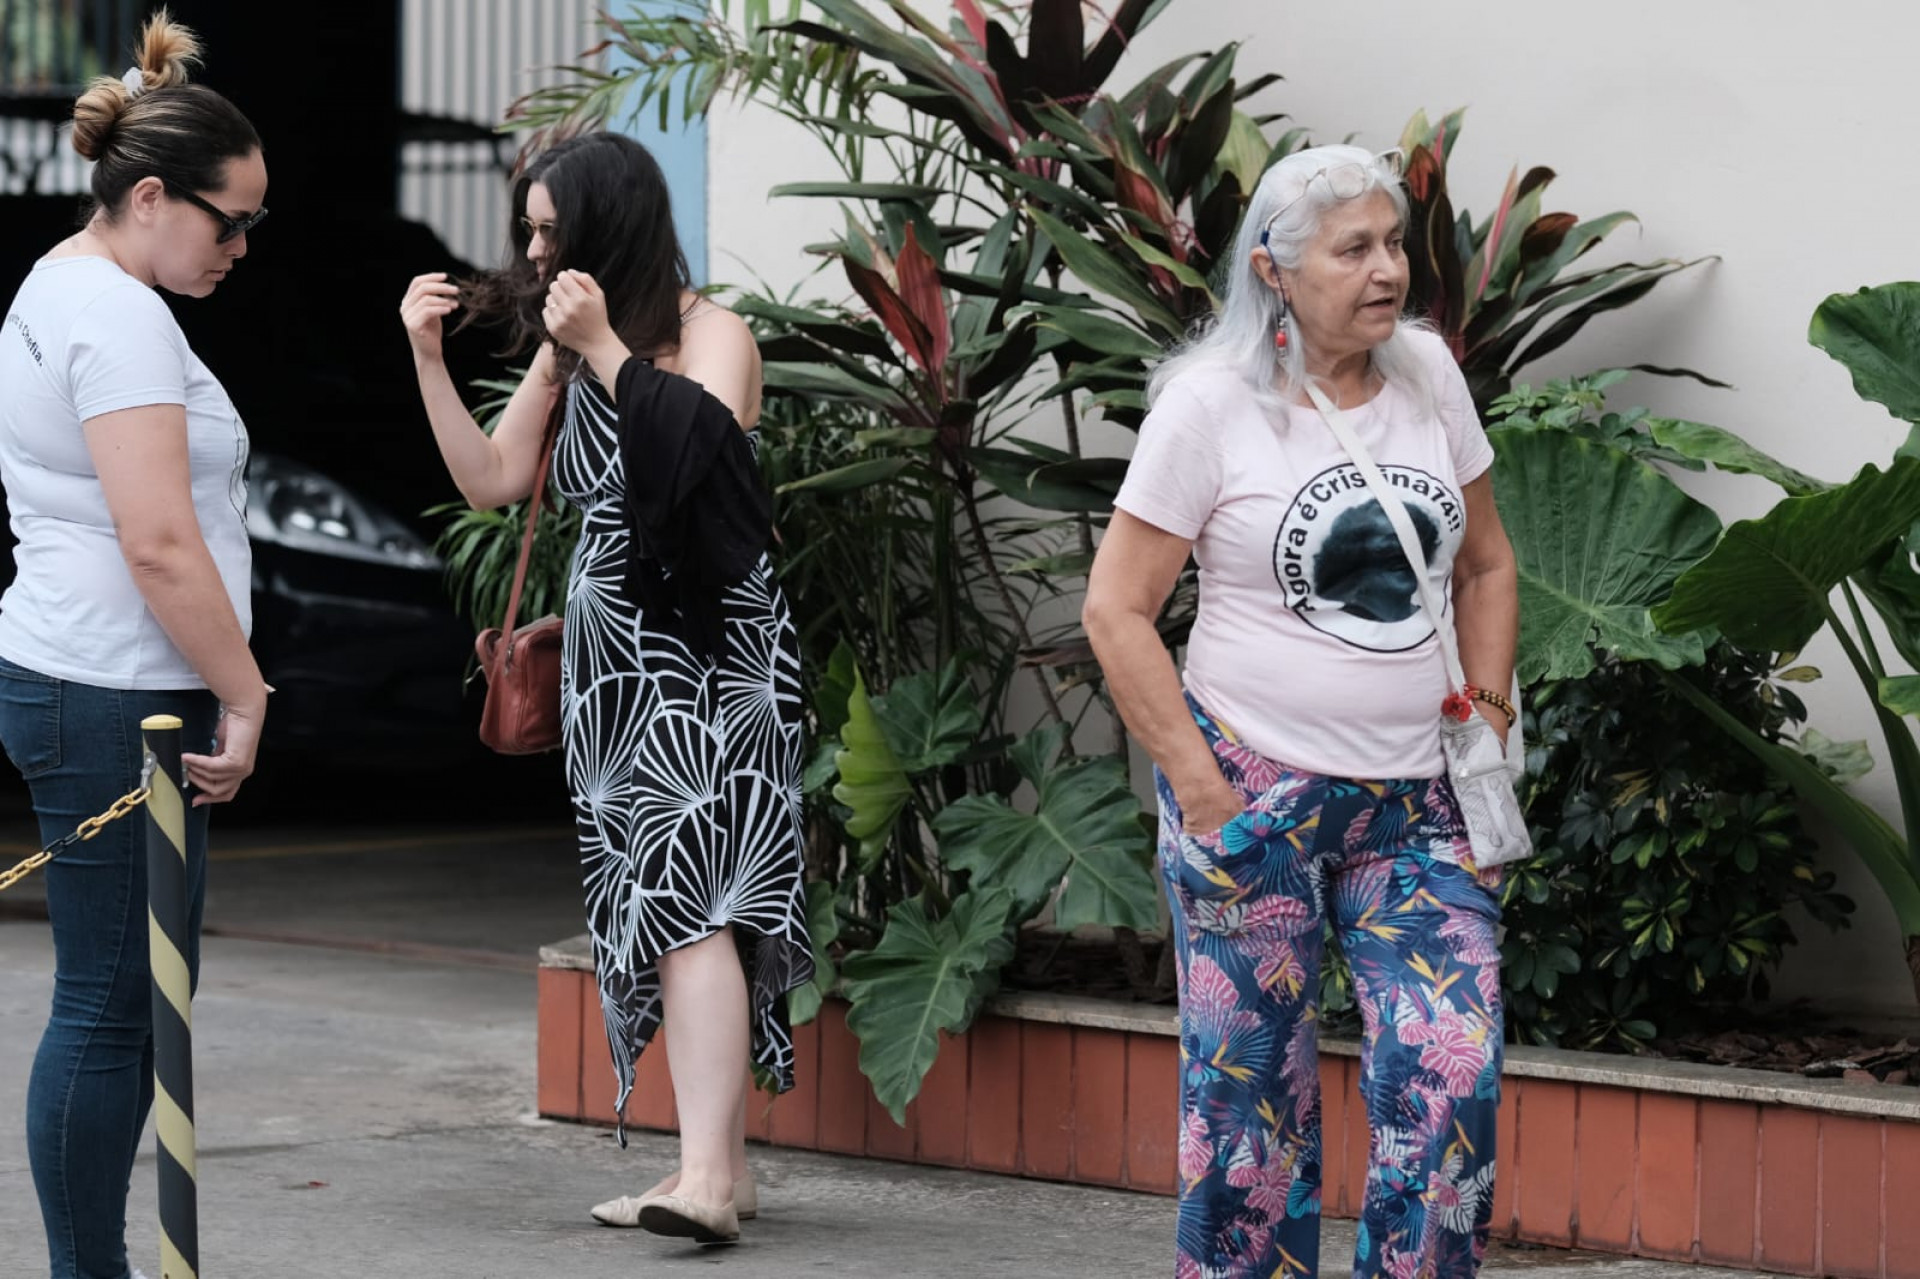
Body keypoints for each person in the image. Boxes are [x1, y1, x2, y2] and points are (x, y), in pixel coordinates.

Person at [1082, 144, 1519, 1278]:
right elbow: (1118, 610)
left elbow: (1485, 566)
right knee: (1249, 1123)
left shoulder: (1427, 373)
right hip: (1255, 799)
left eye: (1394, 244)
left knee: (1451, 1075)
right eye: (1354, 249)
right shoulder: (1210, 408)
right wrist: (1203, 786)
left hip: (1420, 805)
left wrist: (1493, 723)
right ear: (1277, 271)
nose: (1388, 272)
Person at [399, 130, 810, 1247]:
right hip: (616, 668)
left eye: (550, 232)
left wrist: (610, 350)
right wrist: (432, 359)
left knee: (696, 907)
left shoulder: (710, 333)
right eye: (528, 232)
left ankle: (710, 1179)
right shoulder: (562, 351)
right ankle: (716, 1167)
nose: (533, 255)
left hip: (711, 655)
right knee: (671, 909)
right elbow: (490, 480)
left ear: (607, 230)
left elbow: (705, 466)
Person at [0, 12, 269, 1279]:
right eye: (232, 221)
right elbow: (160, 540)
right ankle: (84, 1271)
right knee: (113, 1010)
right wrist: (247, 693)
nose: (243, 247)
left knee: (122, 1007)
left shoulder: (68, 282)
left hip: (89, 678)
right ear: (151, 195)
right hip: (117, 694)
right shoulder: (116, 319)